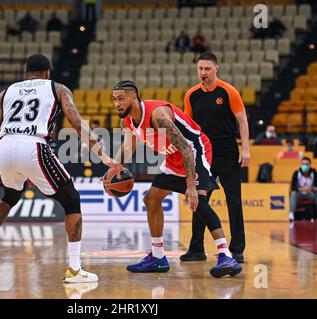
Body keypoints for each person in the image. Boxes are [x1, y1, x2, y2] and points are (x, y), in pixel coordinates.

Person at [0, 54, 119, 283]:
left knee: (10, 195)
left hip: (4, 147)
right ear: (48, 73)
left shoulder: (6, 92)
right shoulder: (57, 88)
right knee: (72, 199)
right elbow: (77, 123)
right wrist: (104, 156)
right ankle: (75, 269)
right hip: (33, 144)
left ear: (25, 74)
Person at [105, 80, 242, 278]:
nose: (116, 103)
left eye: (121, 99)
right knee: (151, 199)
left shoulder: (158, 115)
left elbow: (186, 148)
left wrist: (191, 186)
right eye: (114, 99)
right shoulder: (127, 119)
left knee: (198, 202)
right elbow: (129, 146)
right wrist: (114, 171)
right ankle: (158, 258)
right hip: (172, 157)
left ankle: (226, 255)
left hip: (195, 151)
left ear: (133, 98)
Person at [183, 52, 250, 263]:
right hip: (203, 153)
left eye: (207, 69)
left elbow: (243, 121)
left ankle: (237, 249)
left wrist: (245, 149)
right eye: (200, 68)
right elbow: (187, 126)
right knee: (200, 201)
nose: (203, 72)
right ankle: (196, 249)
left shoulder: (229, 91)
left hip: (227, 152)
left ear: (216, 69)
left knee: (234, 201)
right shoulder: (191, 94)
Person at [289, 157, 317, 221]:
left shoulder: (314, 173)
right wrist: (303, 189)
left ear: (310, 165)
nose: (305, 166)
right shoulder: (296, 173)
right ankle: (291, 214)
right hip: (300, 194)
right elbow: (293, 187)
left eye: (307, 164)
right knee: (293, 193)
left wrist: (312, 188)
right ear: (301, 165)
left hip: (310, 194)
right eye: (303, 164)